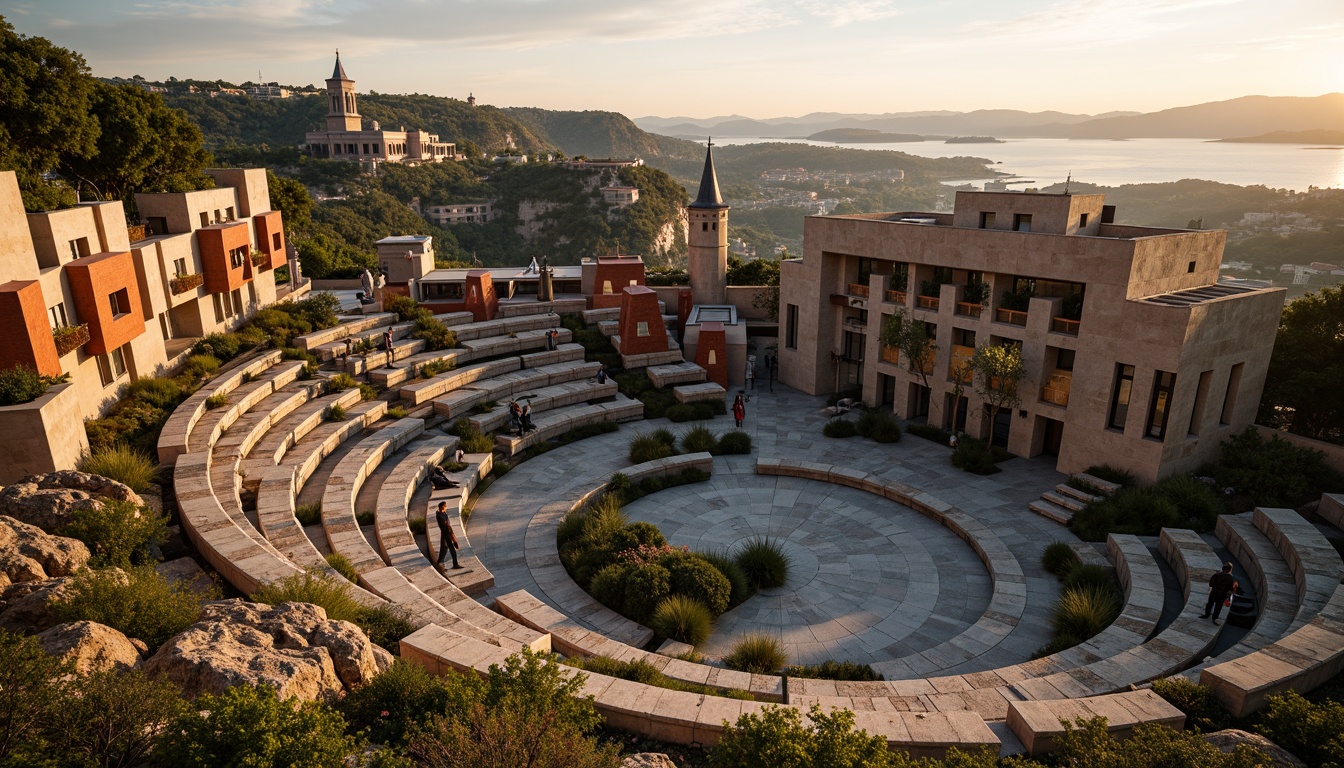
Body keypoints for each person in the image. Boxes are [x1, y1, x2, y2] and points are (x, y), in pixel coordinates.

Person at [434, 501, 462, 570]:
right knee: (448, 548)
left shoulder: (444, 514)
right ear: (442, 507)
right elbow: (445, 525)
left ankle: (441, 562)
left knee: (445, 548)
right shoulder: (439, 516)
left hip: (448, 533)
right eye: (445, 506)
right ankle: (453, 564)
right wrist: (451, 536)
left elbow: (448, 524)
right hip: (445, 534)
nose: (446, 507)